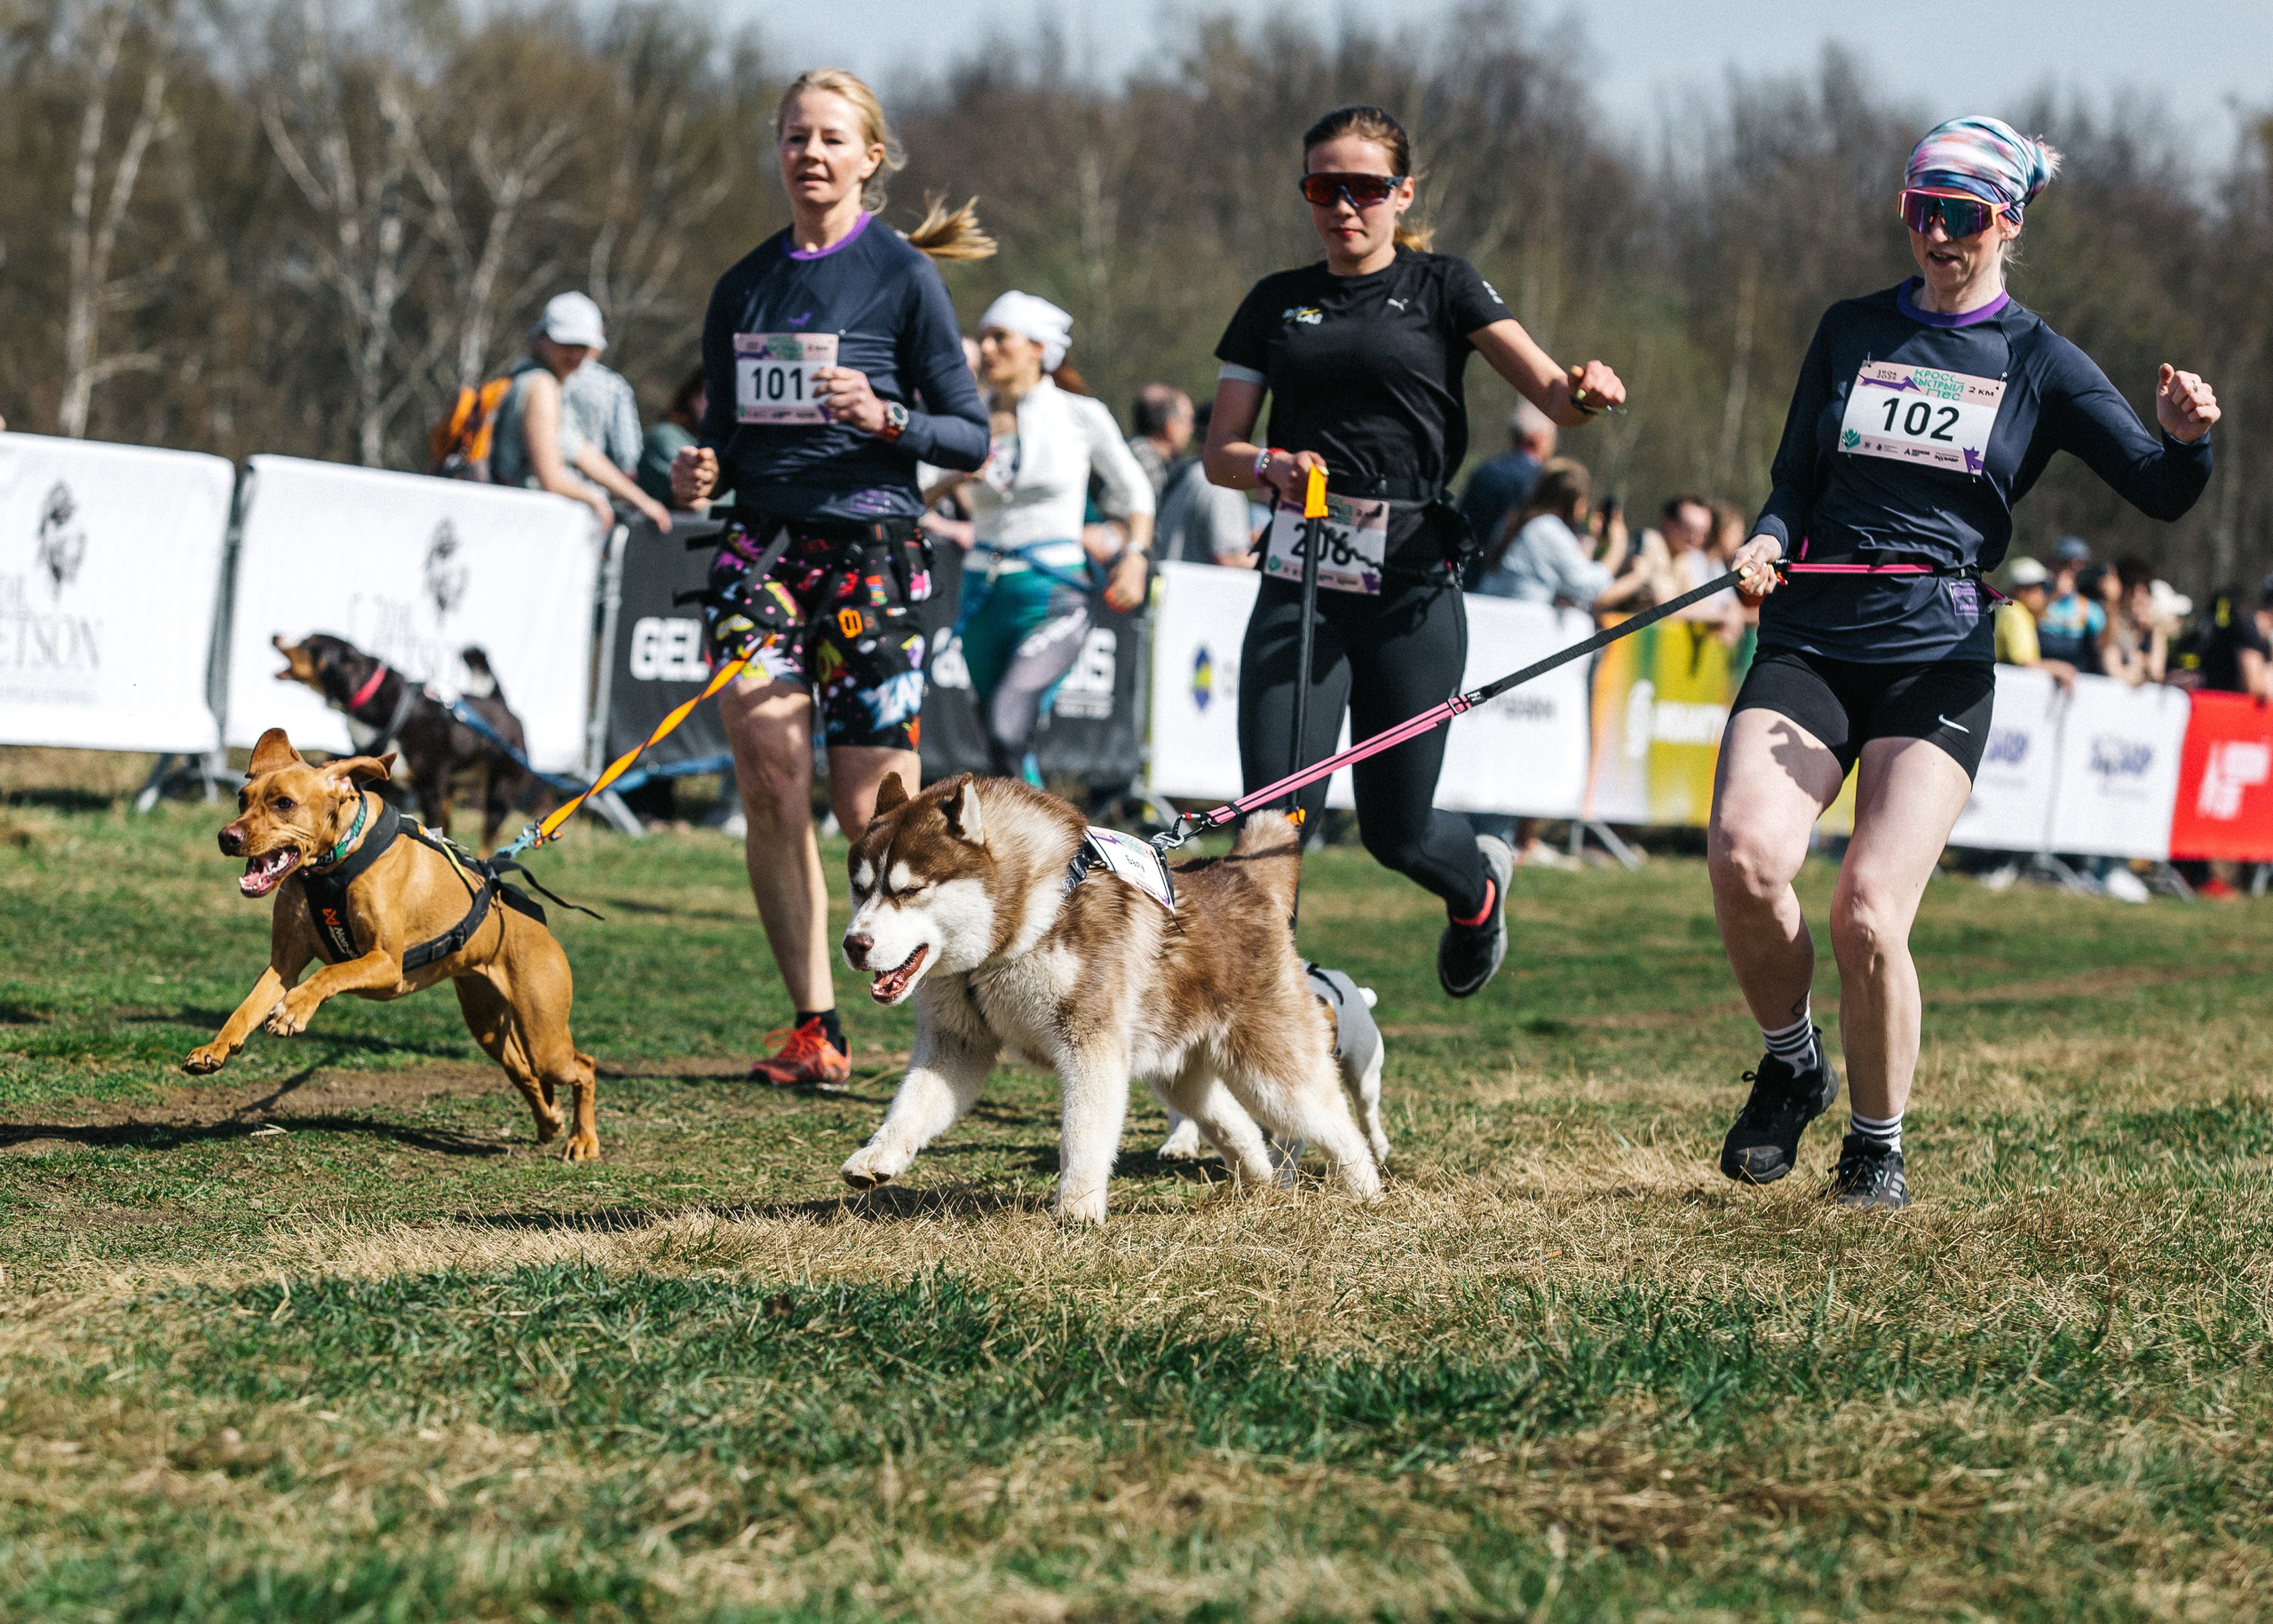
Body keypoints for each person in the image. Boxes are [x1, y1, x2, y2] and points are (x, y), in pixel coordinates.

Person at [1714, 115, 2217, 1208]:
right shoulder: (1849, 328)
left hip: (1933, 660)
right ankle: (1790, 1060)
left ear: (2008, 222)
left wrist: (2186, 438)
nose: (1939, 235)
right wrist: (1764, 539)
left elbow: (2161, 490)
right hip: (1810, 639)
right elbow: (1794, 479)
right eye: (1921, 210)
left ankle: (1874, 1147)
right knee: (1747, 857)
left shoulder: (2037, 358)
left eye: (1964, 216)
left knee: (1863, 911)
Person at [1201, 103, 1627, 998]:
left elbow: (1554, 395)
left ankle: (1474, 887)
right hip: (1301, 572)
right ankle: (1261, 1037)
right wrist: (1271, 463)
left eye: (1362, 188)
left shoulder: (1444, 287)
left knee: (1395, 832)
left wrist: (1586, 392)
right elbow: (1219, 452)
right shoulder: (1273, 304)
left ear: (1401, 193)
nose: (1342, 206)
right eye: (1323, 187)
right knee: (1272, 820)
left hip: (1410, 580)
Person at [669, 67, 993, 1086]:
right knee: (769, 777)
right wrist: (699, 467)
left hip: (871, 553)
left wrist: (886, 418)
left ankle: (968, 1008)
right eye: (794, 137)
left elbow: (970, 436)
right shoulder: (743, 285)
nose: (809, 153)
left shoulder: (902, 278)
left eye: (829, 138)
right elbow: (720, 433)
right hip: (760, 550)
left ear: (869, 158)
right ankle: (816, 1027)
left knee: (874, 815)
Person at [930, 291, 1153, 783]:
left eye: (999, 337)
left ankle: (1048, 847)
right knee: (1001, 740)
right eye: (983, 337)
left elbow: (1136, 490)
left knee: (1009, 724)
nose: (986, 349)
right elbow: (916, 493)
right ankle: (1041, 854)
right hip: (982, 593)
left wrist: (1134, 555)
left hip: (1051, 592)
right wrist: (954, 478)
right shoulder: (966, 419)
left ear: (1037, 347)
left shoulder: (1080, 414)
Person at [490, 292, 673, 535]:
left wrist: (644, 502)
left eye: (583, 347)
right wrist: (596, 498)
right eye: (566, 344)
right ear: (542, 338)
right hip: (520, 529)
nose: (575, 355)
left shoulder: (534, 379)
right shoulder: (540, 387)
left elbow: (582, 452)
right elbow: (551, 479)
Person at [1474, 458, 1644, 609]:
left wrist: (1591, 540)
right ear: (1576, 504)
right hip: (1519, 626)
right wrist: (1619, 545)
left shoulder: (1515, 521)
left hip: (1498, 618)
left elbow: (1571, 578)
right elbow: (1589, 588)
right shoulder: (1547, 529)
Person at [1458, 400, 1557, 585]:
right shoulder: (1544, 483)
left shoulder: (1484, 472)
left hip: (1471, 577)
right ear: (1537, 439)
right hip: (1516, 587)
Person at [1156, 400, 1257, 566]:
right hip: (1198, 589)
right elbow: (1229, 558)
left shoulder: (1183, 471)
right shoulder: (1221, 482)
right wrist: (1271, 560)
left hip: (1173, 584)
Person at [638, 367, 728, 511]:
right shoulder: (666, 437)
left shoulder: (738, 448)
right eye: (715, 396)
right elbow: (693, 502)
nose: (725, 406)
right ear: (693, 398)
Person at [1992, 557, 2077, 687]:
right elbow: (2024, 662)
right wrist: (2060, 669)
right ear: (2017, 590)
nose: (2041, 592)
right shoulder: (2014, 612)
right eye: (2034, 587)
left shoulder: (2008, 610)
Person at [2034, 539, 2104, 672]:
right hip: (2038, 673)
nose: (2071, 570)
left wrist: (2112, 604)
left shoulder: (2088, 607)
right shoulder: (2037, 595)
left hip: (2075, 678)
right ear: (2051, 563)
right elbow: (2026, 626)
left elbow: (2102, 646)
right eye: (2065, 563)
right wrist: (2055, 595)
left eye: (2079, 565)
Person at [2101, 555, 2168, 685]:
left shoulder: (2152, 628)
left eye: (2144, 584)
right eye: (2131, 583)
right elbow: (2115, 671)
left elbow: (2157, 672)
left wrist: (2153, 630)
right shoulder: (2106, 619)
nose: (2138, 591)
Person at [1128, 384, 1192, 499]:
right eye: (1188, 420)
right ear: (1170, 427)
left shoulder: (1132, 452)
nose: (1191, 429)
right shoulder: (1145, 462)